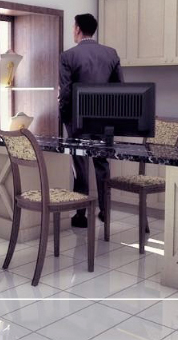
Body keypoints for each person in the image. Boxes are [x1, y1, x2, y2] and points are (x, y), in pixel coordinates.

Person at [59, 13, 123, 228]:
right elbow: (120, 90)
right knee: (102, 164)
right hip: (105, 120)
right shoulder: (111, 54)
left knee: (80, 165)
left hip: (78, 120)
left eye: (73, 27)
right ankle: (105, 211)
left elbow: (65, 92)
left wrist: (64, 116)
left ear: (77, 29)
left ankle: (81, 215)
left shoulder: (68, 56)